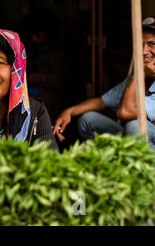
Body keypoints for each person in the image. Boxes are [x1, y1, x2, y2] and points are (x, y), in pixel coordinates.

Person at [53, 17, 155, 150]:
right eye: (140, 45)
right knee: (87, 120)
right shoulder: (143, 74)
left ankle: (145, 168)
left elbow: (125, 112)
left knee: (134, 126)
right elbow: (102, 102)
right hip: (136, 137)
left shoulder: (140, 73)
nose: (143, 51)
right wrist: (69, 112)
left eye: (151, 43)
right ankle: (117, 160)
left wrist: (139, 73)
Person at [23, 9, 67, 120]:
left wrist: (28, 77)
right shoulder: (36, 49)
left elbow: (58, 80)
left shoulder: (57, 52)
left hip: (48, 98)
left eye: (36, 34)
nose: (32, 38)